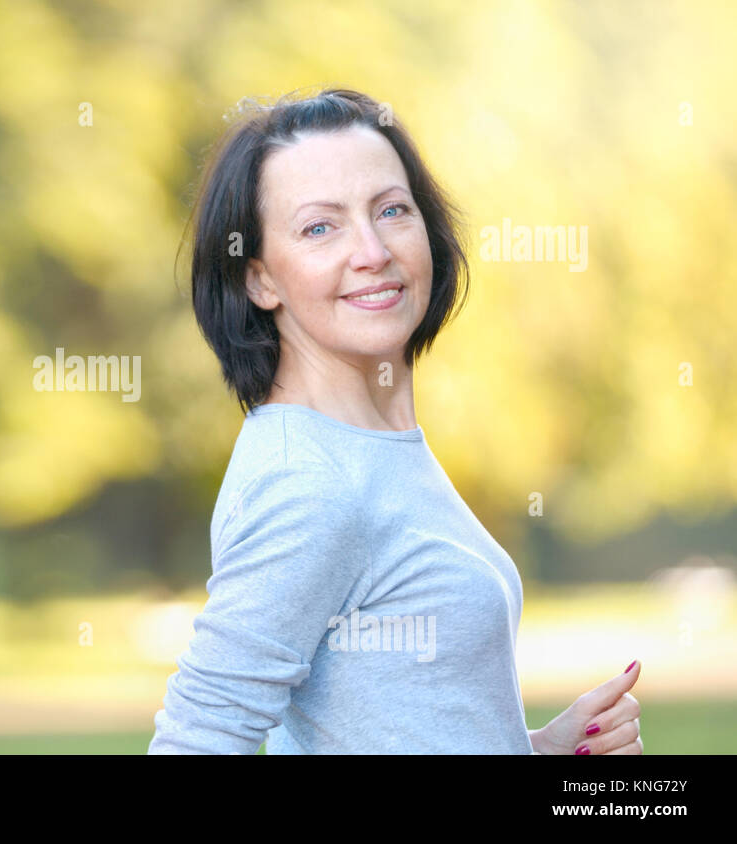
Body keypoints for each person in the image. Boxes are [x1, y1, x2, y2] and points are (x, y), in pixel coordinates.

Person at [148, 88, 643, 755]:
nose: (373, 250)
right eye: (320, 227)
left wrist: (537, 750)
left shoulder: (371, 447)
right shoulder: (310, 482)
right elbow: (198, 738)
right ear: (260, 279)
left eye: (390, 210)